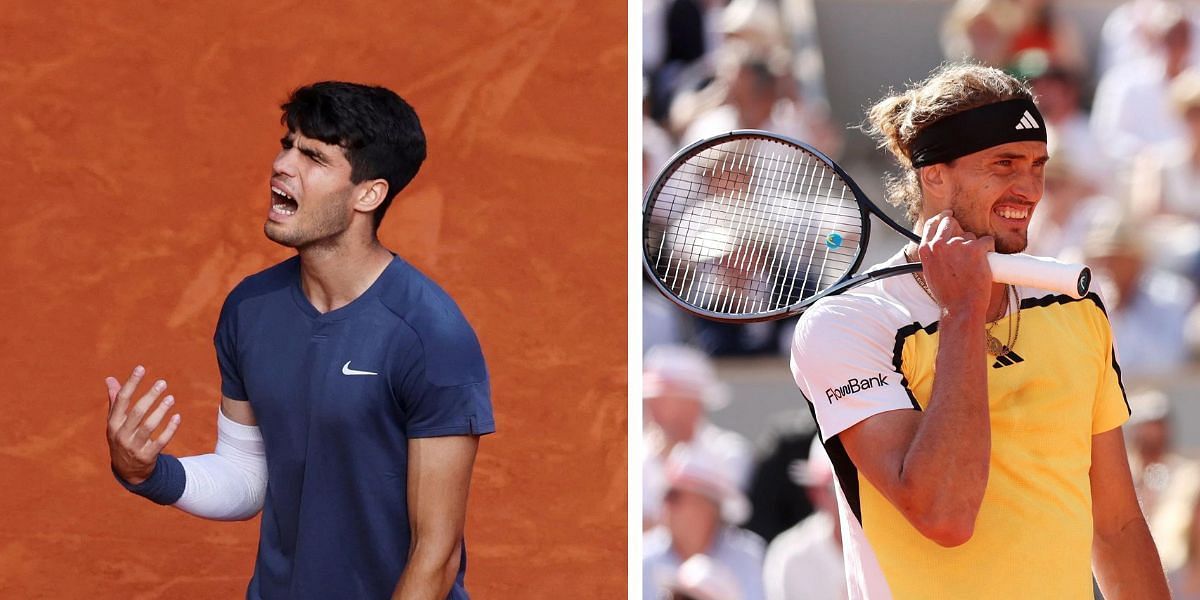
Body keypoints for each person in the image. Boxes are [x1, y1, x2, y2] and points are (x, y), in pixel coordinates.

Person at [789, 63, 1168, 598]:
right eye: (1004, 164)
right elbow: (944, 515)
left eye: (1038, 165)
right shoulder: (844, 325)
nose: (1029, 188)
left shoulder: (1075, 308)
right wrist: (963, 311)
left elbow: (1118, 524)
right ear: (934, 175)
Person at [103, 81, 494, 599]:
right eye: (288, 144)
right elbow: (246, 477)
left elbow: (435, 556)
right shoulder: (250, 309)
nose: (282, 165)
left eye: (313, 156)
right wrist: (148, 473)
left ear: (368, 194)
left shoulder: (429, 337)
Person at [643, 344, 753, 529]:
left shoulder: (730, 452)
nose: (652, 407)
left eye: (664, 398)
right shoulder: (630, 453)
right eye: (650, 398)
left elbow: (715, 523)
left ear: (693, 403)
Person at [643, 446, 766, 600]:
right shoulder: (639, 559)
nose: (665, 504)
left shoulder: (749, 558)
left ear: (708, 506)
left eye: (673, 496)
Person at [762, 438, 847, 600]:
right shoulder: (789, 557)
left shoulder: (898, 542)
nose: (847, 499)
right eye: (835, 487)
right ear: (814, 493)